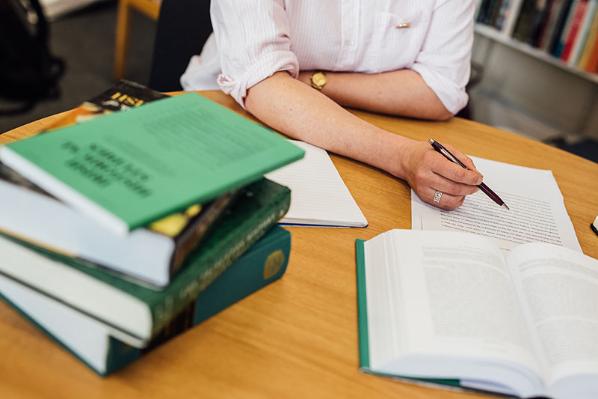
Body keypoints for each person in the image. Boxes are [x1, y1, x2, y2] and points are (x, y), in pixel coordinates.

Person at [181, 1, 483, 210]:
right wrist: (403, 156)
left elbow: (441, 90)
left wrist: (312, 80)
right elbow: (261, 82)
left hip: (355, 135)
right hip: (230, 115)